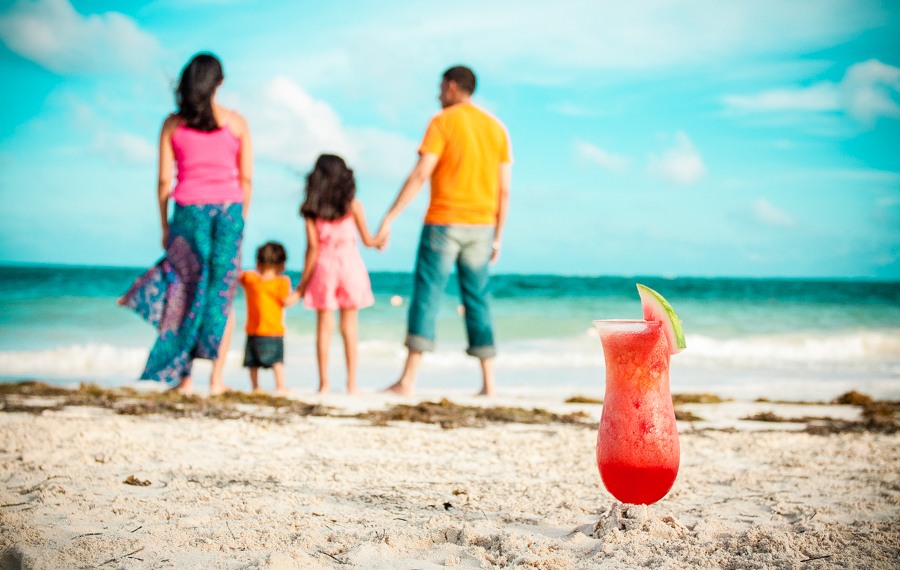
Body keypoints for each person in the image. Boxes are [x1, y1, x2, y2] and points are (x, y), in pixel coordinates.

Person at [118, 53, 252, 395]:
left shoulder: (172, 124)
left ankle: (185, 378)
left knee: (185, 291)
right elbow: (246, 180)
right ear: (218, 83)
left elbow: (164, 181)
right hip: (228, 213)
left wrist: (165, 224)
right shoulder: (237, 124)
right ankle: (217, 380)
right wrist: (239, 221)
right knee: (222, 294)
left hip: (187, 212)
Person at [375, 65, 512, 398]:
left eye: (440, 88)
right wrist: (498, 235)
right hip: (482, 226)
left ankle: (407, 381)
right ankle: (489, 384)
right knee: (478, 300)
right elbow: (504, 189)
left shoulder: (442, 122)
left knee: (427, 297)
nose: (438, 95)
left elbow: (421, 174)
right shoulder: (497, 128)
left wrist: (389, 217)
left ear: (451, 87)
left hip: (443, 221)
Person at [295, 154, 385, 395]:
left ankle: (324, 384)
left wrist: (301, 286)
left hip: (324, 267)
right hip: (350, 266)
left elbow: (312, 249)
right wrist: (380, 241)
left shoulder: (311, 210)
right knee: (350, 328)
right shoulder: (353, 205)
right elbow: (368, 240)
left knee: (324, 328)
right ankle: (351, 384)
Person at [239, 242, 301, 394]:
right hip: (273, 331)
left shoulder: (251, 279)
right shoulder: (281, 282)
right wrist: (301, 291)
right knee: (277, 362)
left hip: (253, 330)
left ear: (258, 262)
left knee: (252, 363)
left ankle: (255, 387)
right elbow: (287, 301)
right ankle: (280, 386)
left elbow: (237, 273)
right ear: (282, 264)